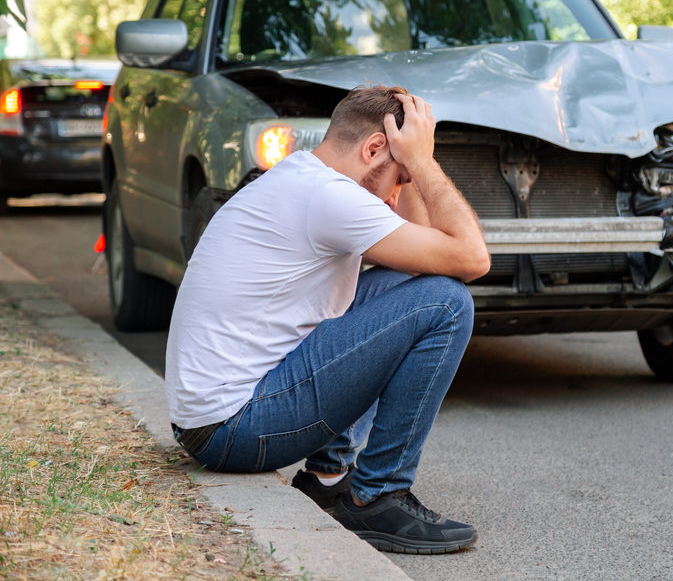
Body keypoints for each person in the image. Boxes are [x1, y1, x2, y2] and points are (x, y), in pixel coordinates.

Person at [165, 85, 491, 554]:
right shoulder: (328, 198)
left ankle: (328, 478)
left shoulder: (306, 178)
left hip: (217, 417)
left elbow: (425, 259)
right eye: (398, 177)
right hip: (231, 430)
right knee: (446, 303)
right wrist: (422, 161)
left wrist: (411, 166)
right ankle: (377, 497)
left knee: (408, 286)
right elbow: (471, 258)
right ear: (374, 148)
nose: (396, 197)